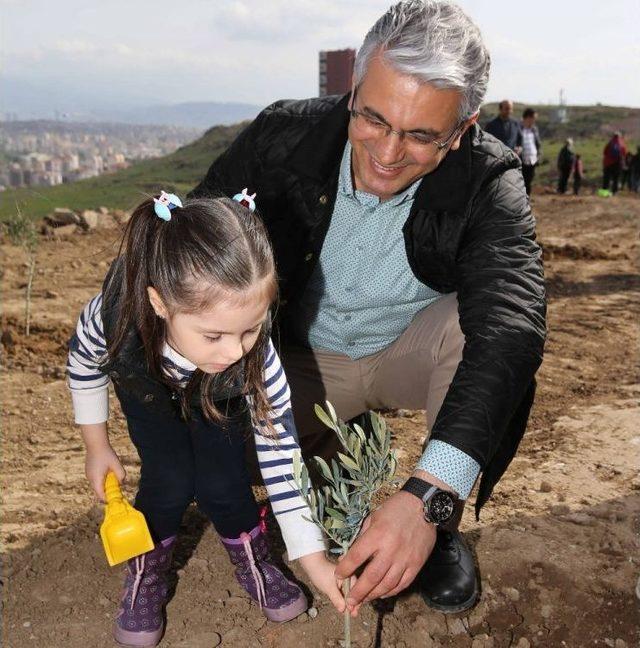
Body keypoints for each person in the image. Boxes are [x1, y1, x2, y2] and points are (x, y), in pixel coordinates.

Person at [191, 0, 545, 619]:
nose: (386, 153)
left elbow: (511, 325)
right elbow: (185, 247)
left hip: (406, 351)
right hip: (294, 363)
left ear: (462, 130)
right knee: (213, 457)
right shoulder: (283, 138)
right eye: (373, 118)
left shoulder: (490, 179)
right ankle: (328, 451)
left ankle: (433, 526)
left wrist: (429, 497)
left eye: (420, 135)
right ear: (354, 88)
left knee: (485, 328)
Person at [67, 192, 348, 647]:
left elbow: (282, 459)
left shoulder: (252, 362)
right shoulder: (113, 314)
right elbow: (82, 365)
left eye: (250, 329)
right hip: (149, 389)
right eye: (213, 334)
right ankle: (147, 574)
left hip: (220, 397)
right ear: (159, 303)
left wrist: (314, 559)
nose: (235, 350)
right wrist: (96, 445)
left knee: (223, 481)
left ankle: (255, 560)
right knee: (169, 478)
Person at [519, 107, 542, 196]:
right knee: (521, 183)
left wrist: (538, 156)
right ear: (528, 118)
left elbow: (538, 144)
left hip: (532, 161)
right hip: (521, 161)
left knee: (529, 182)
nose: (534, 121)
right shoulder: (518, 128)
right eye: (533, 119)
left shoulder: (534, 129)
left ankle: (527, 201)